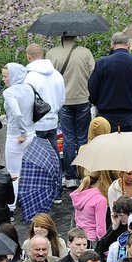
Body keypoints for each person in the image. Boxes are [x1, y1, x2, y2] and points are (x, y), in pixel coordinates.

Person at [46, 36, 94, 188]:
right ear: (75, 37)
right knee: (82, 139)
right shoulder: (85, 52)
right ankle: (83, 175)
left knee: (68, 139)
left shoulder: (52, 54)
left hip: (63, 101)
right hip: (82, 99)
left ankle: (70, 176)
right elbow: (94, 74)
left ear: (61, 37)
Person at [87, 33, 132, 132]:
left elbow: (92, 88)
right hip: (129, 113)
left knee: (108, 145)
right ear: (129, 44)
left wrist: (96, 102)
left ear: (112, 44)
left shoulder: (102, 63)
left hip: (106, 114)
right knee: (128, 145)